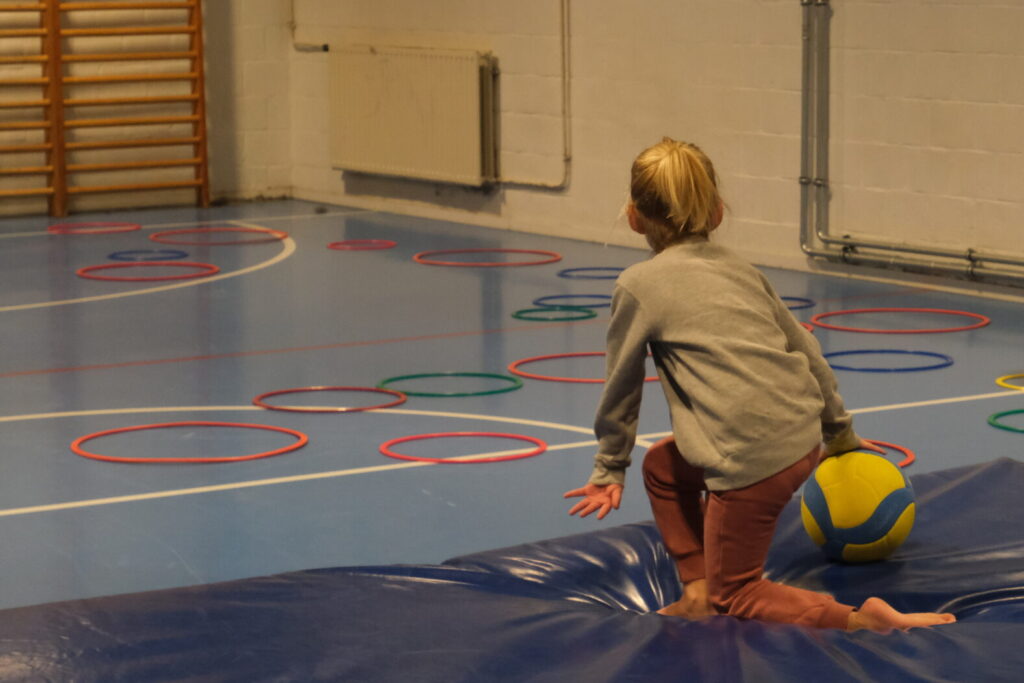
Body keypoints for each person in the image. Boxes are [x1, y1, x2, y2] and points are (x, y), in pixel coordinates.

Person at [563, 138, 956, 632]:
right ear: (719, 212)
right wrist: (839, 435)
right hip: (801, 437)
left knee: (740, 592)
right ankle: (697, 590)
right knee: (664, 467)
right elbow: (807, 352)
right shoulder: (742, 271)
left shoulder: (639, 285)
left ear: (634, 217)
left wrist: (608, 468)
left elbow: (622, 388)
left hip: (750, 458)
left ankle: (858, 619)